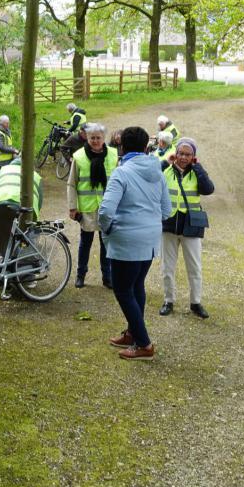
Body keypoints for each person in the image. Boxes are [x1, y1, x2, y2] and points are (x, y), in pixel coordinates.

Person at [98, 126, 171, 361]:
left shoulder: (122, 173)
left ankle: (144, 344)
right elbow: (167, 210)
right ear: (145, 147)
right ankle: (133, 333)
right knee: (137, 285)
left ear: (121, 147)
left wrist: (108, 229)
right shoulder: (158, 171)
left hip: (126, 239)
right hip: (150, 238)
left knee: (122, 290)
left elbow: (106, 211)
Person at [159, 137, 215, 318]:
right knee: (167, 267)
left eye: (188, 154)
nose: (183, 157)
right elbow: (150, 178)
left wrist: (198, 167)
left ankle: (196, 302)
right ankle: (168, 300)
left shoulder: (197, 172)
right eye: (181, 153)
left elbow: (208, 189)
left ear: (193, 156)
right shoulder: (166, 171)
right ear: (175, 154)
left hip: (191, 225)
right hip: (169, 224)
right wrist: (163, 163)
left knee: (195, 266)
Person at [66, 123, 117, 289]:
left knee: (106, 244)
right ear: (87, 138)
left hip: (107, 208)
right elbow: (72, 184)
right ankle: (80, 275)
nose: (95, 141)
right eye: (92, 138)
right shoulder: (79, 157)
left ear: (103, 139)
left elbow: (119, 184)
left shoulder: (113, 155)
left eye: (98, 138)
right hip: (87, 208)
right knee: (85, 243)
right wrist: (73, 207)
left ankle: (107, 277)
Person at [0, 157, 42, 259]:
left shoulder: (4, 170)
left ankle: (2, 264)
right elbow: (40, 202)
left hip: (1, 206)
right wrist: (33, 218)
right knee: (24, 240)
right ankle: (23, 266)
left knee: (1, 238)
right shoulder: (35, 175)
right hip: (25, 209)